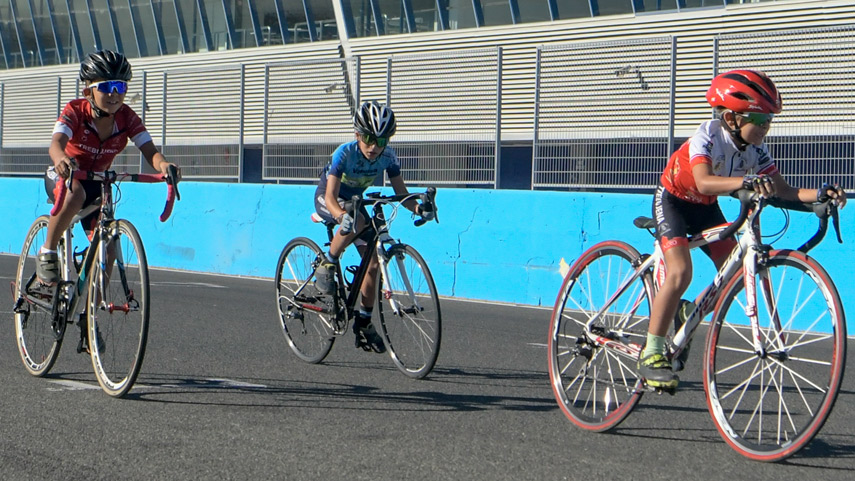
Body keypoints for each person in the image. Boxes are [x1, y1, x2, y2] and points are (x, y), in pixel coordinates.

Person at [639, 69, 847, 390]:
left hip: (706, 207)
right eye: (760, 121)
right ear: (732, 118)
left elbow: (783, 190)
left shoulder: (756, 150)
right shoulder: (707, 134)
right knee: (681, 272)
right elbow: (705, 180)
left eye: (769, 122)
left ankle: (684, 317)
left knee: (731, 273)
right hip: (674, 201)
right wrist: (747, 182)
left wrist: (819, 197)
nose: (766, 128)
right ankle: (651, 352)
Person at [36, 49, 181, 285]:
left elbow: (150, 152)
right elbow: (56, 144)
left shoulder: (127, 118)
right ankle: (48, 251)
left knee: (111, 246)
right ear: (88, 91)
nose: (114, 94)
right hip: (66, 176)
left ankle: (88, 311)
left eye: (121, 87)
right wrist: (61, 158)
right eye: (106, 87)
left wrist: (164, 165)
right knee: (75, 195)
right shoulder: (75, 111)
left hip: (98, 183)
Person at [314, 100, 434, 353]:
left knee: (373, 263)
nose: (373, 147)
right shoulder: (344, 153)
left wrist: (419, 208)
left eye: (381, 141)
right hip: (329, 198)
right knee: (355, 220)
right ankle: (327, 262)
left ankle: (365, 321)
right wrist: (338, 216)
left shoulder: (388, 157)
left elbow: (402, 194)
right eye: (369, 138)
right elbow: (331, 197)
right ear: (357, 134)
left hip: (356, 202)